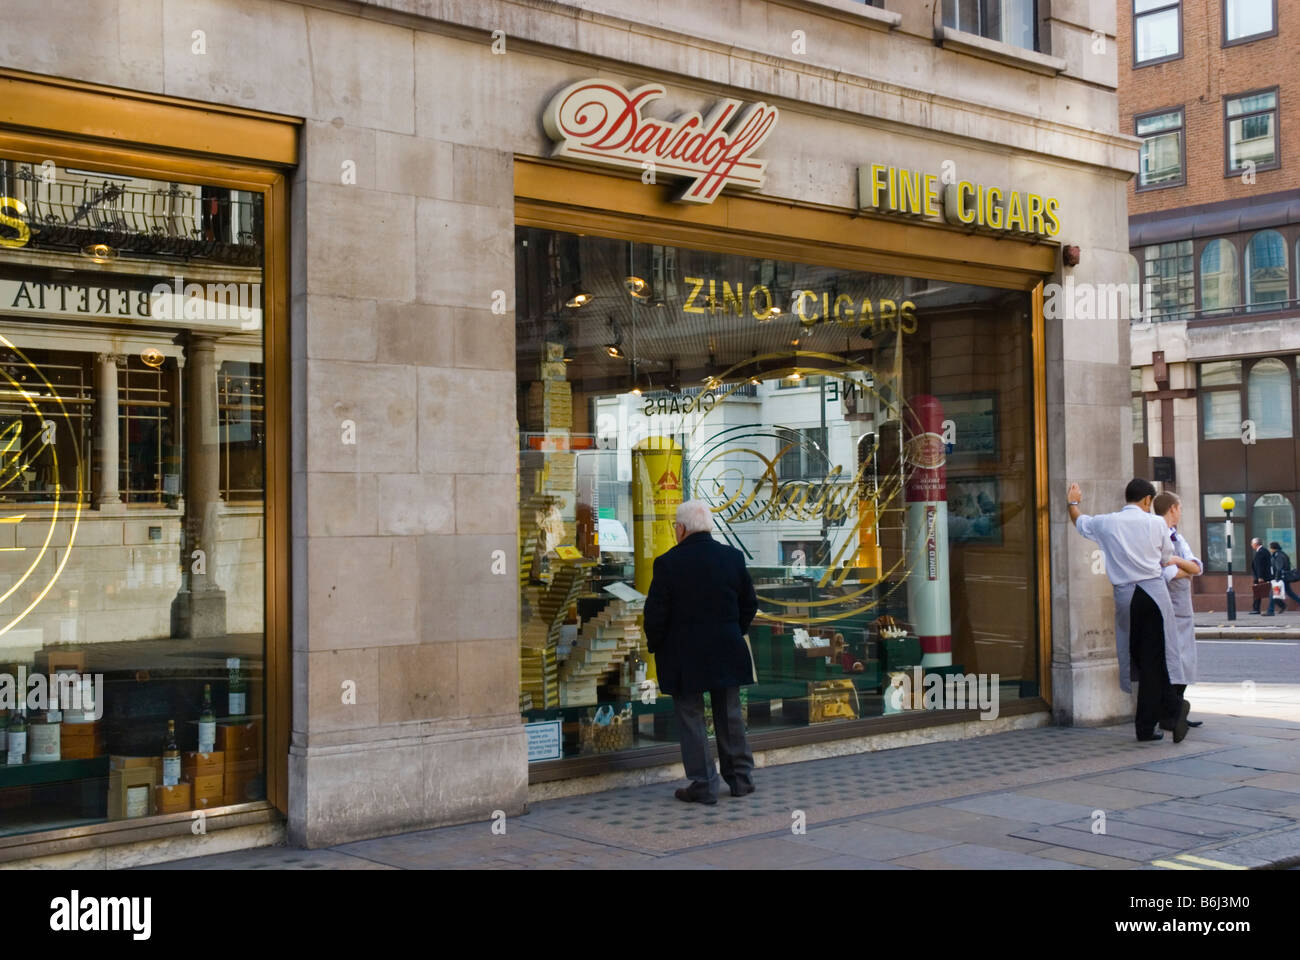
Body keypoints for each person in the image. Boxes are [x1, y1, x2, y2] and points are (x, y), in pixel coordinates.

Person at [643, 499, 758, 804]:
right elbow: (750, 603)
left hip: (684, 654)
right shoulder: (733, 558)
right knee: (730, 714)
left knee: (691, 717)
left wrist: (656, 645)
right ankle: (741, 779)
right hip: (727, 648)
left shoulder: (668, 563)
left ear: (680, 529)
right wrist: (734, 630)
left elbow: (656, 614)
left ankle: (704, 783)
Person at [1068, 478, 1189, 742]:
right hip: (1154, 595)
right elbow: (1166, 558)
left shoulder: (1107, 522)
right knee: (1156, 659)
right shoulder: (1156, 523)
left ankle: (1156, 720)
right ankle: (1171, 709)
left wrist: (1073, 500)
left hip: (1126, 597)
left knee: (1139, 659)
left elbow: (1078, 521)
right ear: (1147, 500)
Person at [1153, 492, 1204, 730]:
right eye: (1180, 507)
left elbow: (1197, 567)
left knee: (1184, 662)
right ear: (1172, 508)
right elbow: (1167, 573)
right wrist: (1184, 566)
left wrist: (1179, 562)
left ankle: (1178, 711)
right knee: (1172, 662)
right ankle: (1169, 715)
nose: (1181, 511)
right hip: (1169, 608)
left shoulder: (1178, 536)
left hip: (1183, 607)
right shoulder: (1158, 534)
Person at [1268, 542, 1300, 613]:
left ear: (1273, 548)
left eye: (1270, 548)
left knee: (1273, 593)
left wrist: (1276, 579)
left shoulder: (1278, 555)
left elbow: (1279, 568)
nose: (1269, 549)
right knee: (1290, 593)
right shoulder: (1280, 554)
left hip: (1281, 577)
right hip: (1283, 577)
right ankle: (1281, 606)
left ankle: (1270, 611)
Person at [1251, 538, 1273, 615]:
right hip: (1264, 575)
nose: (1251, 545)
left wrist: (1260, 577)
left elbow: (1259, 566)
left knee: (1257, 592)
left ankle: (1256, 609)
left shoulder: (1260, 552)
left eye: (1252, 544)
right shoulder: (1265, 551)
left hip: (1260, 576)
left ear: (1256, 544)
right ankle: (1256, 608)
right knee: (1262, 592)